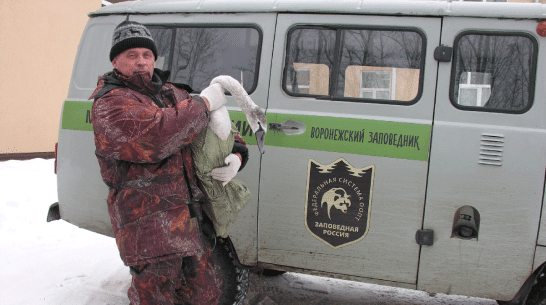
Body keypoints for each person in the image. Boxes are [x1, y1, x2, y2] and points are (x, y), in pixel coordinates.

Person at [90, 20, 246, 305]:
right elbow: (159, 137)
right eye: (131, 55)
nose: (141, 62)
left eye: (146, 55)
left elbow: (216, 132)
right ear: (115, 61)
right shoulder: (110, 104)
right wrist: (203, 104)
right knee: (155, 300)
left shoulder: (171, 93)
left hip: (191, 224)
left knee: (206, 296)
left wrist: (236, 154)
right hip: (149, 230)